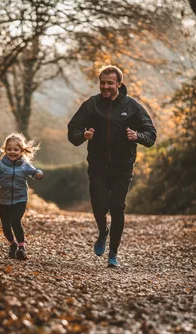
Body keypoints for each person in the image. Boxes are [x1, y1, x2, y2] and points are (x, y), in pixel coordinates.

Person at [67, 65, 156, 267]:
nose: (105, 86)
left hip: (122, 167)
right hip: (98, 165)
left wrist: (137, 136)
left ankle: (113, 254)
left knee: (117, 207)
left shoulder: (132, 106)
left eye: (110, 83)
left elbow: (151, 135)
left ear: (119, 84)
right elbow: (73, 130)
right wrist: (83, 135)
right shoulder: (92, 105)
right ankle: (102, 231)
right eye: (103, 83)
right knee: (99, 206)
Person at [0, 133, 43, 261]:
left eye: (15, 149)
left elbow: (34, 171)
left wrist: (38, 173)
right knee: (6, 227)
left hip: (20, 199)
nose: (12, 152)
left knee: (15, 221)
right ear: (5, 150)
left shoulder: (25, 165)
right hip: (4, 200)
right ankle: (13, 244)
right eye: (9, 149)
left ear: (22, 150)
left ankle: (22, 248)